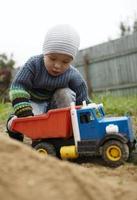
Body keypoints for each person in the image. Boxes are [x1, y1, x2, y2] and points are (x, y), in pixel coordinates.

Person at [7, 24, 91, 141]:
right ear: (45, 53)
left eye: (65, 62)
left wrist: (87, 115)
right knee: (25, 121)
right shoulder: (34, 64)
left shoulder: (72, 74)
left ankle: (65, 130)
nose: (57, 65)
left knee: (65, 93)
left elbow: (83, 99)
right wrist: (24, 111)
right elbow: (18, 87)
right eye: (52, 58)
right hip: (34, 104)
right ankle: (14, 123)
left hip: (56, 109)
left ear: (71, 61)